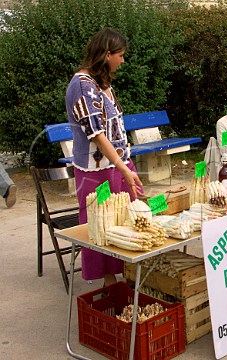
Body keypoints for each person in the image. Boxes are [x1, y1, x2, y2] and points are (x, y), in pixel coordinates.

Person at [65, 28, 143, 287]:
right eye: (120, 55)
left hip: (118, 164)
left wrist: (125, 164)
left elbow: (115, 126)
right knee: (101, 222)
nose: (123, 60)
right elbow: (96, 134)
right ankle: (109, 281)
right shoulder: (81, 85)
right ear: (107, 54)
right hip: (95, 171)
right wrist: (124, 168)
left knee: (126, 216)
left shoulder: (103, 84)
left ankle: (126, 273)